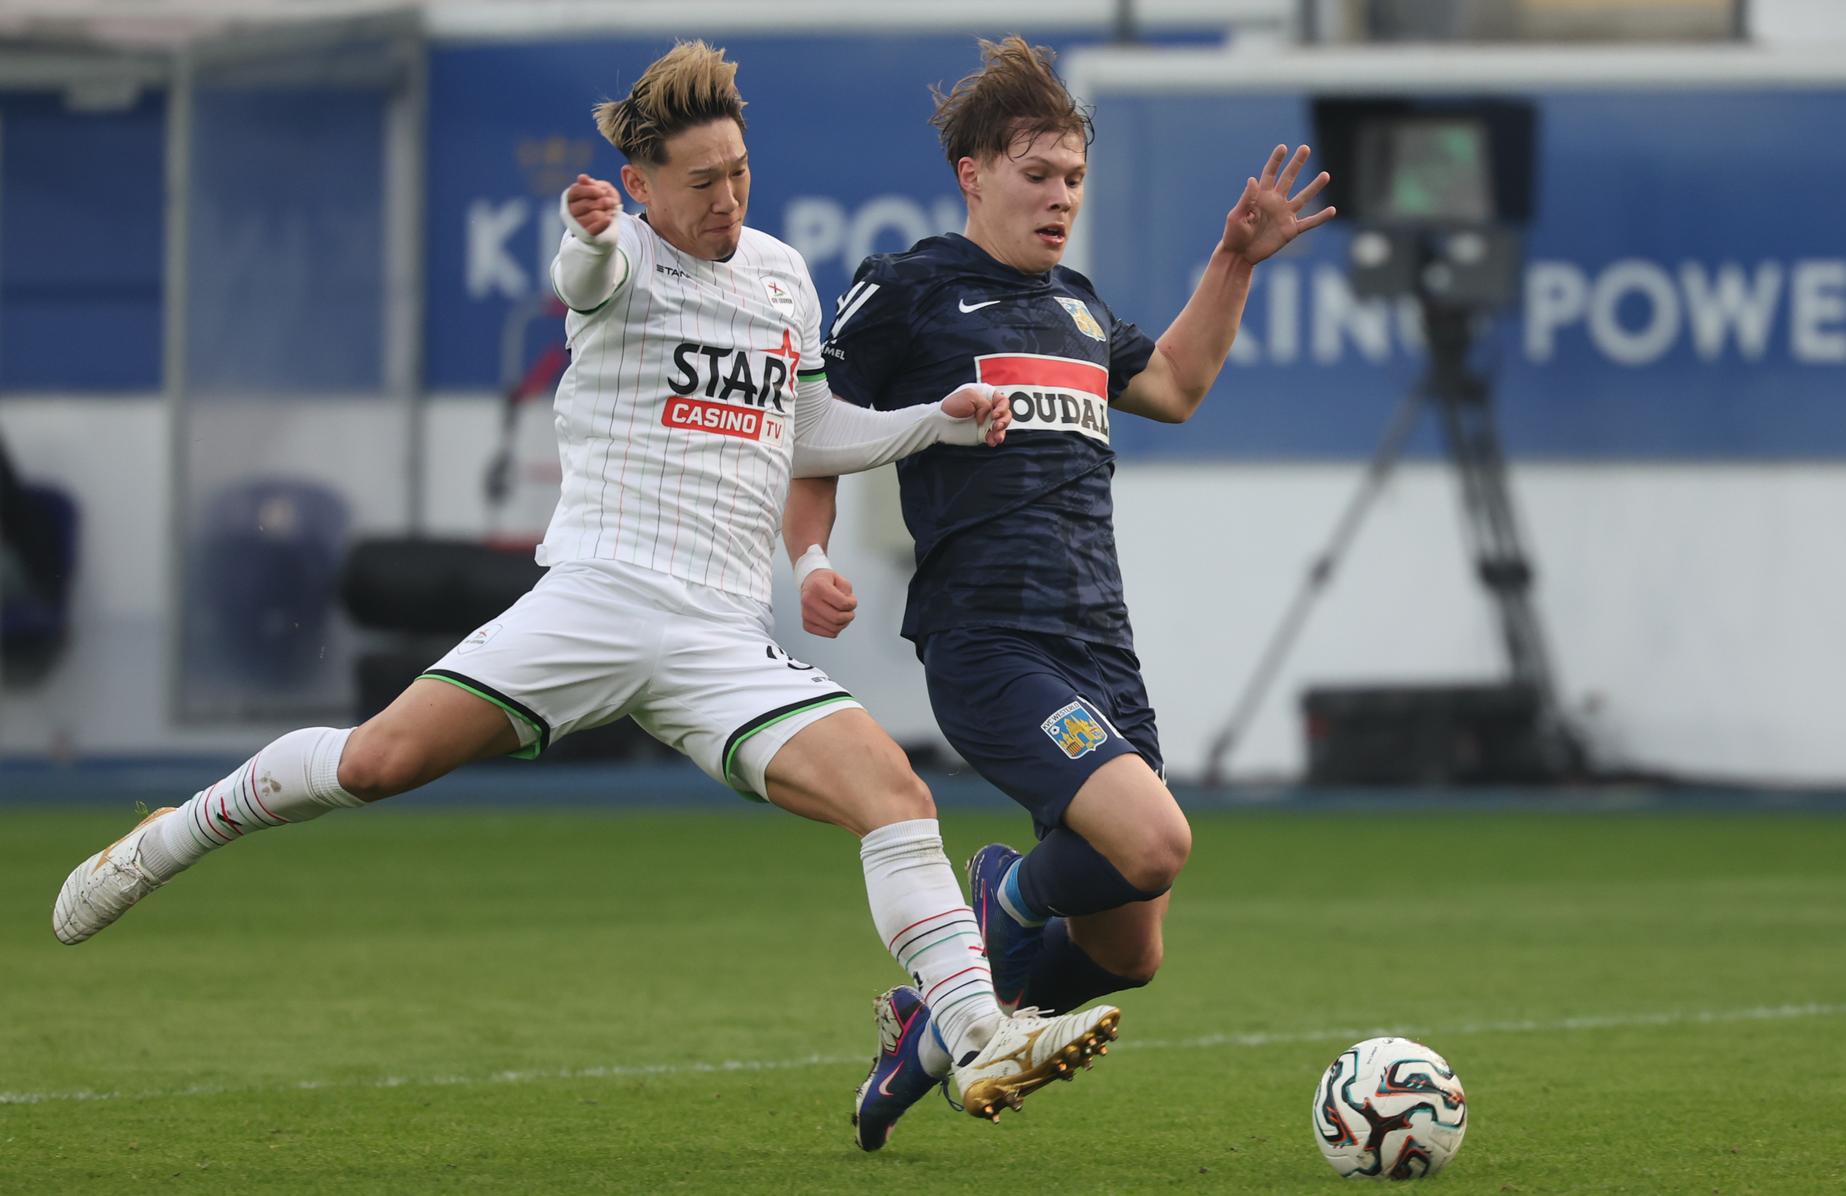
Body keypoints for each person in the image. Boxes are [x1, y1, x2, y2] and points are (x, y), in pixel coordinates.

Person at [52, 40, 1119, 1140]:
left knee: (894, 793)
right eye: (700, 182)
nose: (727, 197)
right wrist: (594, 235)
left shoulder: (780, 275)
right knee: (374, 763)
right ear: (642, 185)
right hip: (596, 603)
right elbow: (585, 276)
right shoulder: (619, 259)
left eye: (739, 171)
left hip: (718, 635)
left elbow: (809, 430)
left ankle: (978, 1031)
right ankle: (171, 836)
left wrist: (931, 422)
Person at [785, 35, 1333, 1143]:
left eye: (1074, 177)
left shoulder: (1077, 306)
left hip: (1101, 651)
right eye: (1037, 174)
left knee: (1131, 949)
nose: (1061, 198)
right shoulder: (908, 290)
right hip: (991, 644)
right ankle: (1002, 895)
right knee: (1155, 842)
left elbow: (1175, 384)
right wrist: (810, 557)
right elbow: (815, 429)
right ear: (973, 173)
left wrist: (1235, 258)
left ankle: (925, 1035)